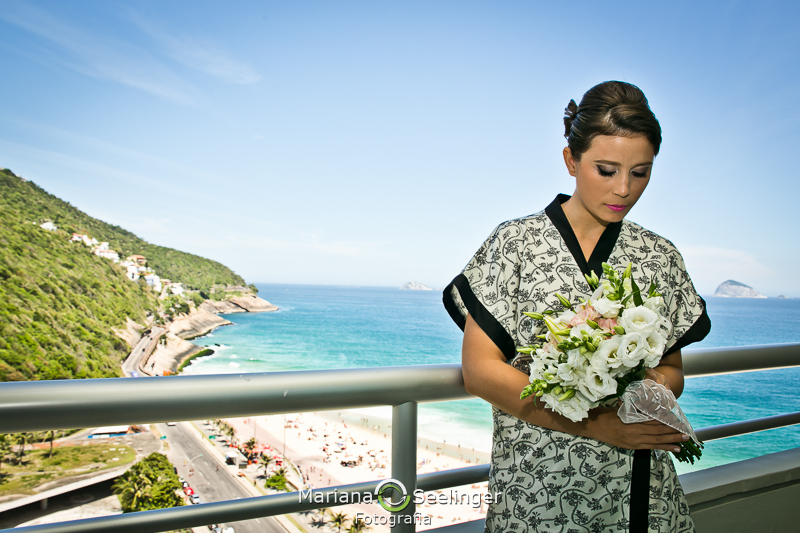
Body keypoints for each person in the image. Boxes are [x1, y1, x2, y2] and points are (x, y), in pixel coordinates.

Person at [443, 81, 711, 533]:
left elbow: (673, 374)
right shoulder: (515, 244)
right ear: (571, 160)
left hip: (641, 493)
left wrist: (631, 378)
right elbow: (480, 372)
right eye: (606, 170)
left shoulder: (660, 256)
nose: (624, 189)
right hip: (536, 492)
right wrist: (597, 423)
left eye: (641, 172)